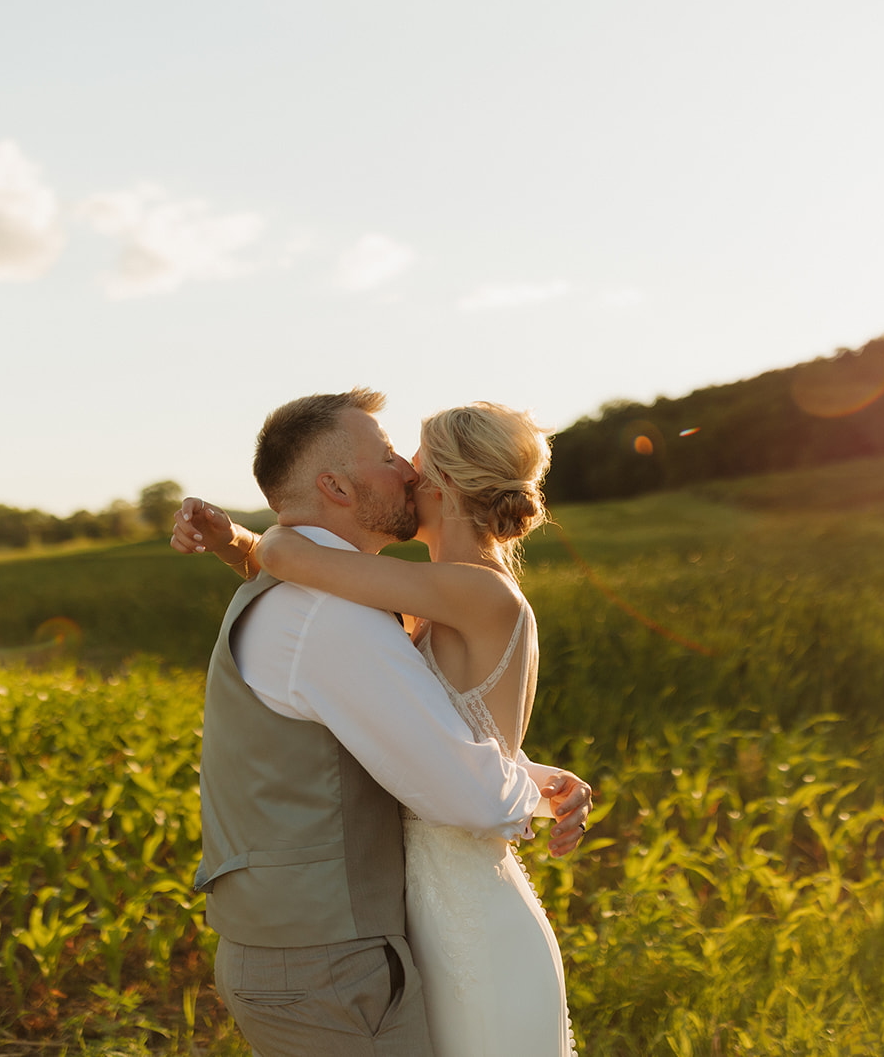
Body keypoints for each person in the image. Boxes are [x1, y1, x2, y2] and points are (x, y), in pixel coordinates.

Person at [178, 388, 590, 1057]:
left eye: (411, 459)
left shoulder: (464, 591)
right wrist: (531, 780)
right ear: (337, 483)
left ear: (441, 485)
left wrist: (261, 537)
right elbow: (327, 601)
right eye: (391, 455)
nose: (403, 469)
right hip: (402, 915)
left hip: (451, 899)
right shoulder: (417, 597)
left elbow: (295, 560)